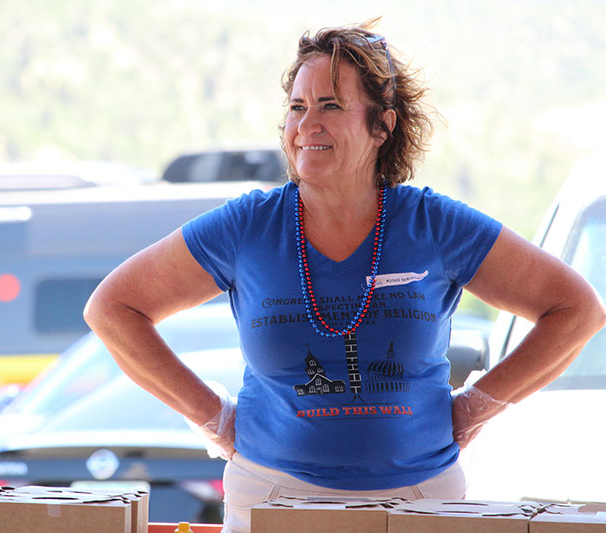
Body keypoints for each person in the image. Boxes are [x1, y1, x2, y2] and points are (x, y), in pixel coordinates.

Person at [83, 21, 606, 533]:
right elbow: (113, 308)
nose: (307, 124)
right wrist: (212, 416)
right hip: (271, 497)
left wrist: (478, 406)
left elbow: (577, 309)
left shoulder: (435, 224)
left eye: (330, 105)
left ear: (383, 126)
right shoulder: (246, 226)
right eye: (296, 107)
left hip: (420, 502)